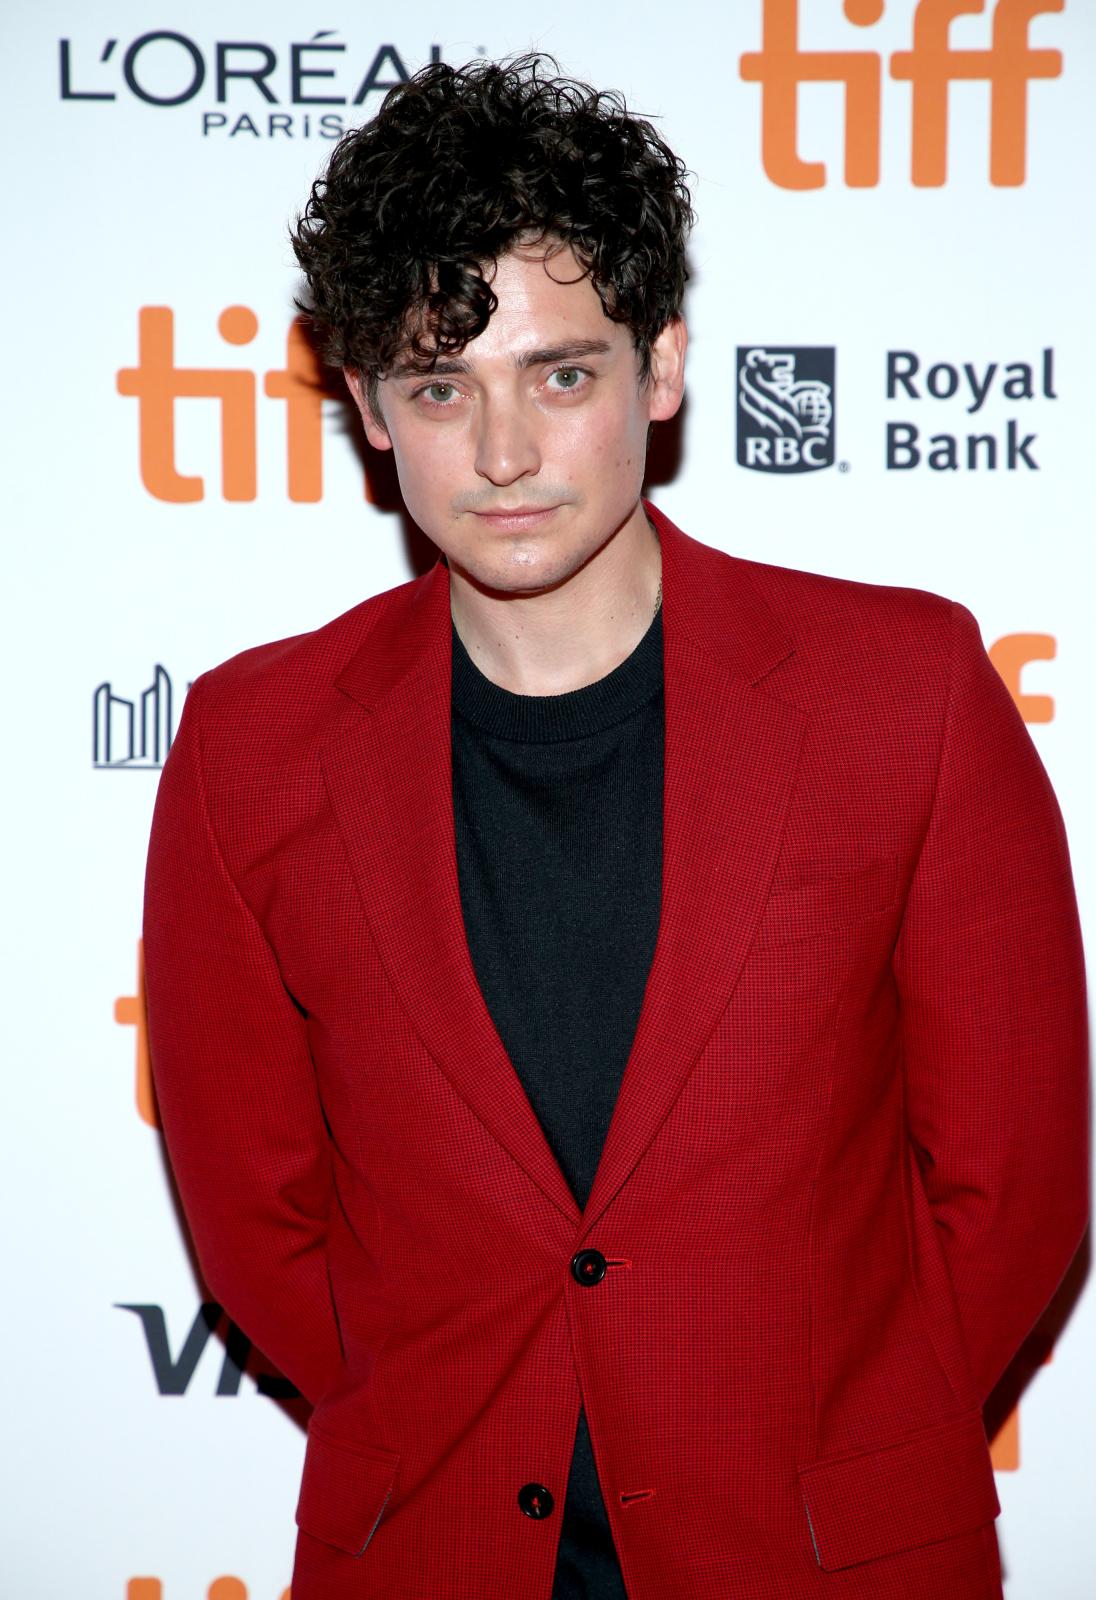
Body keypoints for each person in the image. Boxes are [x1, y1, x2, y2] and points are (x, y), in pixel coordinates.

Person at [141, 53, 1089, 1600]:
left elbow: (1017, 1182)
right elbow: (261, 1226)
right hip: (431, 1549)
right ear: (368, 406)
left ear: (662, 369)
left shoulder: (901, 693)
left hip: (821, 1558)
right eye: (440, 387)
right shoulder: (253, 748)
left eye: (561, 376)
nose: (503, 453)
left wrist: (839, 1436)